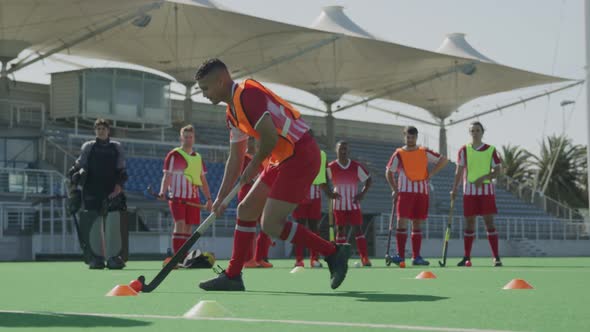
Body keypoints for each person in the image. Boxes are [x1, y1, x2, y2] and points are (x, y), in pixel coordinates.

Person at [195, 58, 350, 291]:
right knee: (245, 210)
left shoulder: (248, 96)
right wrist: (220, 197)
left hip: (300, 153)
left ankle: (333, 252)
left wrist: (254, 164)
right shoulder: (232, 113)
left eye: (205, 88)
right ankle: (233, 276)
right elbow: (235, 158)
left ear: (220, 81)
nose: (204, 94)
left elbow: (270, 137)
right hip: (281, 159)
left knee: (270, 223)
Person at [385, 126, 448, 267]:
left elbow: (443, 160)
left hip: (422, 192)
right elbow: (389, 172)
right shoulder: (399, 153)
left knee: (417, 224)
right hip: (405, 193)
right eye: (408, 137)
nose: (410, 139)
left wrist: (431, 174)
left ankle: (416, 257)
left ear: (416, 137)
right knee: (402, 223)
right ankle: (401, 257)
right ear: (404, 136)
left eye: (413, 137)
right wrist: (394, 189)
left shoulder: (423, 151)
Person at [71, 118, 128, 269]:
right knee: (94, 225)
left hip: (112, 190)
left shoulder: (117, 147)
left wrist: (118, 187)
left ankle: (113, 258)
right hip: (91, 189)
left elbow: (121, 170)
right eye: (98, 129)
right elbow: (80, 165)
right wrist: (74, 179)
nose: (101, 131)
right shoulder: (88, 146)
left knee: (112, 224)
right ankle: (96, 258)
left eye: (103, 128)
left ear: (108, 130)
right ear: (95, 131)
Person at [450, 121, 503, 267]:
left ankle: (496, 257)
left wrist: (484, 178)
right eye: (472, 130)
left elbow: (498, 171)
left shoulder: (491, 149)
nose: (475, 133)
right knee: (469, 224)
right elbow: (459, 171)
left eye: (477, 130)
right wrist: (454, 189)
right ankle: (467, 257)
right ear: (470, 133)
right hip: (469, 192)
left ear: (482, 132)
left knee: (489, 223)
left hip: (486, 191)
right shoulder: (463, 150)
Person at [158, 125, 213, 263]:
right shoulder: (174, 155)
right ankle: (177, 256)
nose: (188, 140)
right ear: (181, 138)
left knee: (188, 227)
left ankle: (184, 255)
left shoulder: (198, 157)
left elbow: (202, 180)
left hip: (193, 198)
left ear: (194, 138)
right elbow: (167, 175)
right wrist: (162, 191)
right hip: (177, 197)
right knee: (180, 223)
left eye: (190, 137)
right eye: (185, 137)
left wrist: (208, 198)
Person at [328, 141, 372, 267]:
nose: (343, 151)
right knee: (340, 230)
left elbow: (369, 179)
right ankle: (340, 258)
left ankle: (365, 258)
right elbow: (323, 180)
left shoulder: (356, 166)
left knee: (358, 229)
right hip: (338, 204)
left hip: (353, 204)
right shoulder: (331, 167)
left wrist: (362, 193)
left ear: (349, 151)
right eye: (341, 149)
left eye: (345, 149)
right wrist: (330, 193)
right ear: (336, 150)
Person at [292, 149, 336, 268]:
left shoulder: (321, 155)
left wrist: (329, 190)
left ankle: (314, 259)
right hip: (300, 196)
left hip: (315, 196)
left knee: (314, 228)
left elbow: (327, 175)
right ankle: (299, 259)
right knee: (299, 228)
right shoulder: (296, 153)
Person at [240, 137, 274, 268]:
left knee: (265, 225)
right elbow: (245, 177)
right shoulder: (244, 157)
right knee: (249, 226)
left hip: (261, 194)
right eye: (249, 140)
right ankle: (248, 259)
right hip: (247, 193)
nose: (252, 142)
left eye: (253, 140)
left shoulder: (262, 157)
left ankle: (260, 257)